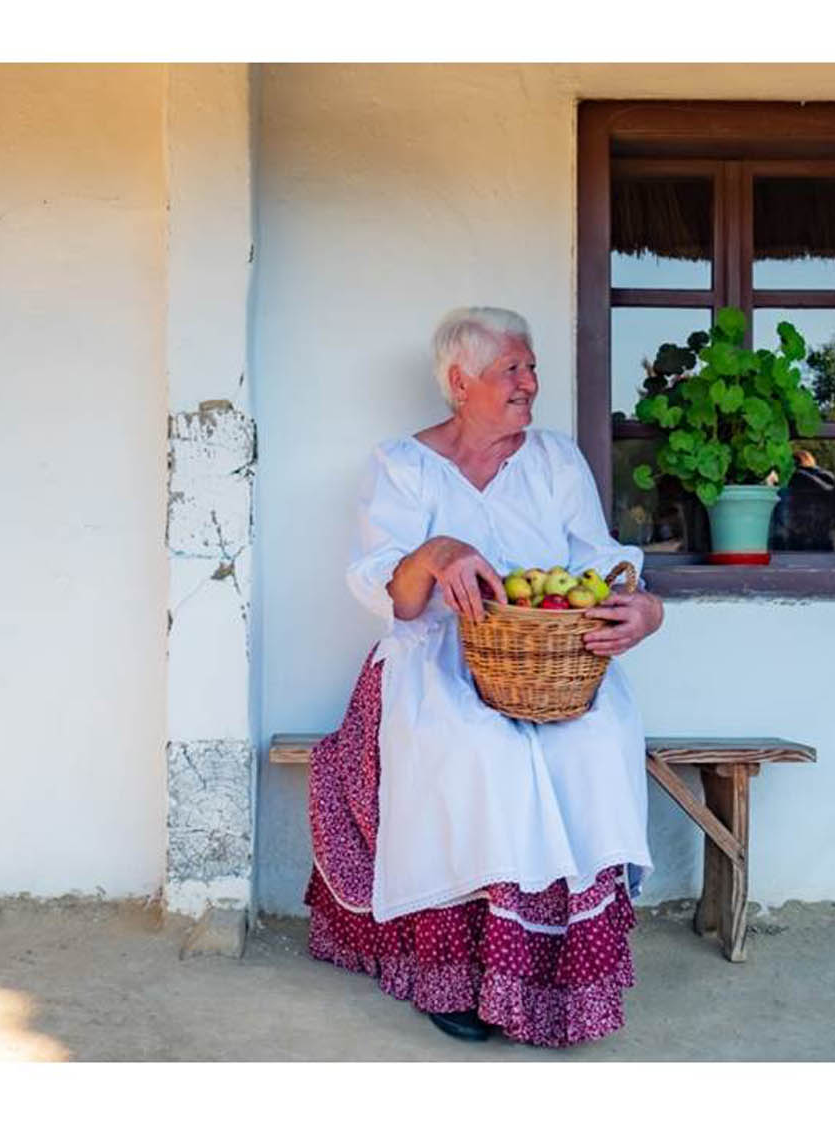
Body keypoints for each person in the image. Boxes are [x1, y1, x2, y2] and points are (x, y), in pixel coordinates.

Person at [306, 307, 666, 1048]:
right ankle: (464, 976)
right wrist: (436, 550)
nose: (531, 384)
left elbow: (599, 562)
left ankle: (558, 975)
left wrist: (645, 610)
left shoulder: (556, 461)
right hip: (434, 656)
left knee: (593, 739)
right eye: (514, 369)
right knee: (481, 750)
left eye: (531, 368)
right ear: (459, 381)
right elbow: (390, 594)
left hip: (548, 662)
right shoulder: (403, 465)